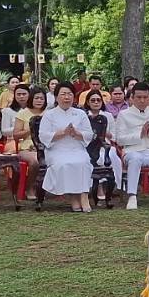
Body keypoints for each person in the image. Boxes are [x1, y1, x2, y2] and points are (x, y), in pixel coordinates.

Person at [39, 82, 94, 212]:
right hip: (57, 149)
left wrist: (77, 133)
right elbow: (43, 135)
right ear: (56, 97)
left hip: (76, 147)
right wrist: (62, 133)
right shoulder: (49, 114)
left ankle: (84, 195)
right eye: (63, 94)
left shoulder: (80, 114)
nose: (66, 97)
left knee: (83, 162)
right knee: (64, 164)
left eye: (69, 94)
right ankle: (73, 197)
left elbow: (89, 134)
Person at [19, 90, 49, 199]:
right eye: (36, 98)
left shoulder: (49, 113)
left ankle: (47, 188)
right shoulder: (23, 113)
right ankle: (31, 187)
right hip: (27, 147)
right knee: (36, 161)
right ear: (31, 99)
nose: (39, 101)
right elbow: (16, 135)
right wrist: (31, 129)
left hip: (46, 145)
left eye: (42, 98)